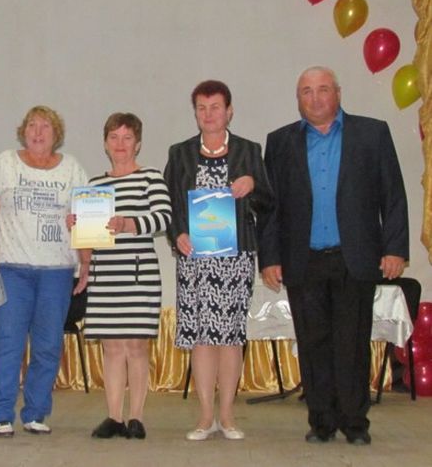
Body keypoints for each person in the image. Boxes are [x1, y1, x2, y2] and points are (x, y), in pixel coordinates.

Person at [258, 66, 408, 446]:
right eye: (306, 91)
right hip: (303, 259)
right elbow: (270, 208)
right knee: (313, 345)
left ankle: (355, 422)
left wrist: (394, 248)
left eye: (323, 89)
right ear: (298, 99)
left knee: (352, 344)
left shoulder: (372, 134)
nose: (315, 98)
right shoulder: (280, 142)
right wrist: (270, 257)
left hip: (354, 257)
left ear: (338, 94)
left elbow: (392, 194)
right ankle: (321, 421)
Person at [164, 80, 273, 441]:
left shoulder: (249, 150)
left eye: (215, 107)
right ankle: (205, 416)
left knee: (230, 337)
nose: (208, 114)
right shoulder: (180, 152)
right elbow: (168, 205)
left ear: (229, 111)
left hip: (235, 258)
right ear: (194, 112)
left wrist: (252, 185)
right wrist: (177, 234)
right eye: (201, 108)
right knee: (201, 337)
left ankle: (227, 415)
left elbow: (269, 203)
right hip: (195, 259)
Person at [0, 105, 87, 437]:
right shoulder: (5, 163)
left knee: (48, 344)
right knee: (9, 340)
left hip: (57, 270)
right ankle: (0, 414)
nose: (38, 132)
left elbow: (86, 221)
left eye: (46, 127)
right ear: (23, 131)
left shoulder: (72, 169)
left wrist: (86, 263)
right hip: (11, 269)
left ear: (56, 134)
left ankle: (36, 412)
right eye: (33, 126)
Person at [70, 113, 171, 440]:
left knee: (136, 346)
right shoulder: (94, 187)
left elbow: (163, 218)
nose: (120, 144)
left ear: (138, 143)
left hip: (139, 275)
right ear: (105, 144)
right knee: (112, 347)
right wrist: (77, 228)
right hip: (105, 276)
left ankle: (136, 417)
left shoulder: (150, 177)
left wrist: (128, 224)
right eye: (114, 138)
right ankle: (114, 416)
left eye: (127, 138)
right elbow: (88, 240)